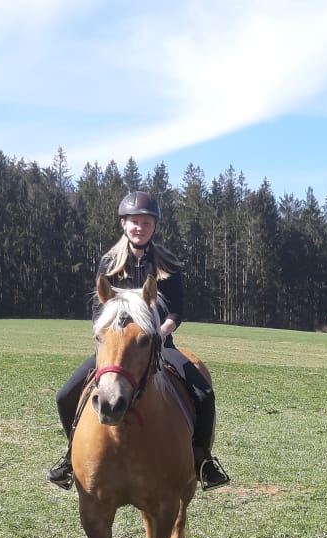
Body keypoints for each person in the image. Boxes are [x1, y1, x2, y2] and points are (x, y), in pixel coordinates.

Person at [47, 190, 229, 491]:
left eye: (146, 222)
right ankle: (70, 456)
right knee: (64, 395)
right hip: (115, 349)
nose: (140, 228)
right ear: (123, 223)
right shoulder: (109, 263)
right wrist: (110, 336)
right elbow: (98, 309)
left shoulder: (168, 264)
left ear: (154, 226)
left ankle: (202, 460)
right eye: (135, 222)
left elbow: (177, 310)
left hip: (157, 345)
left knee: (203, 393)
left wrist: (160, 331)